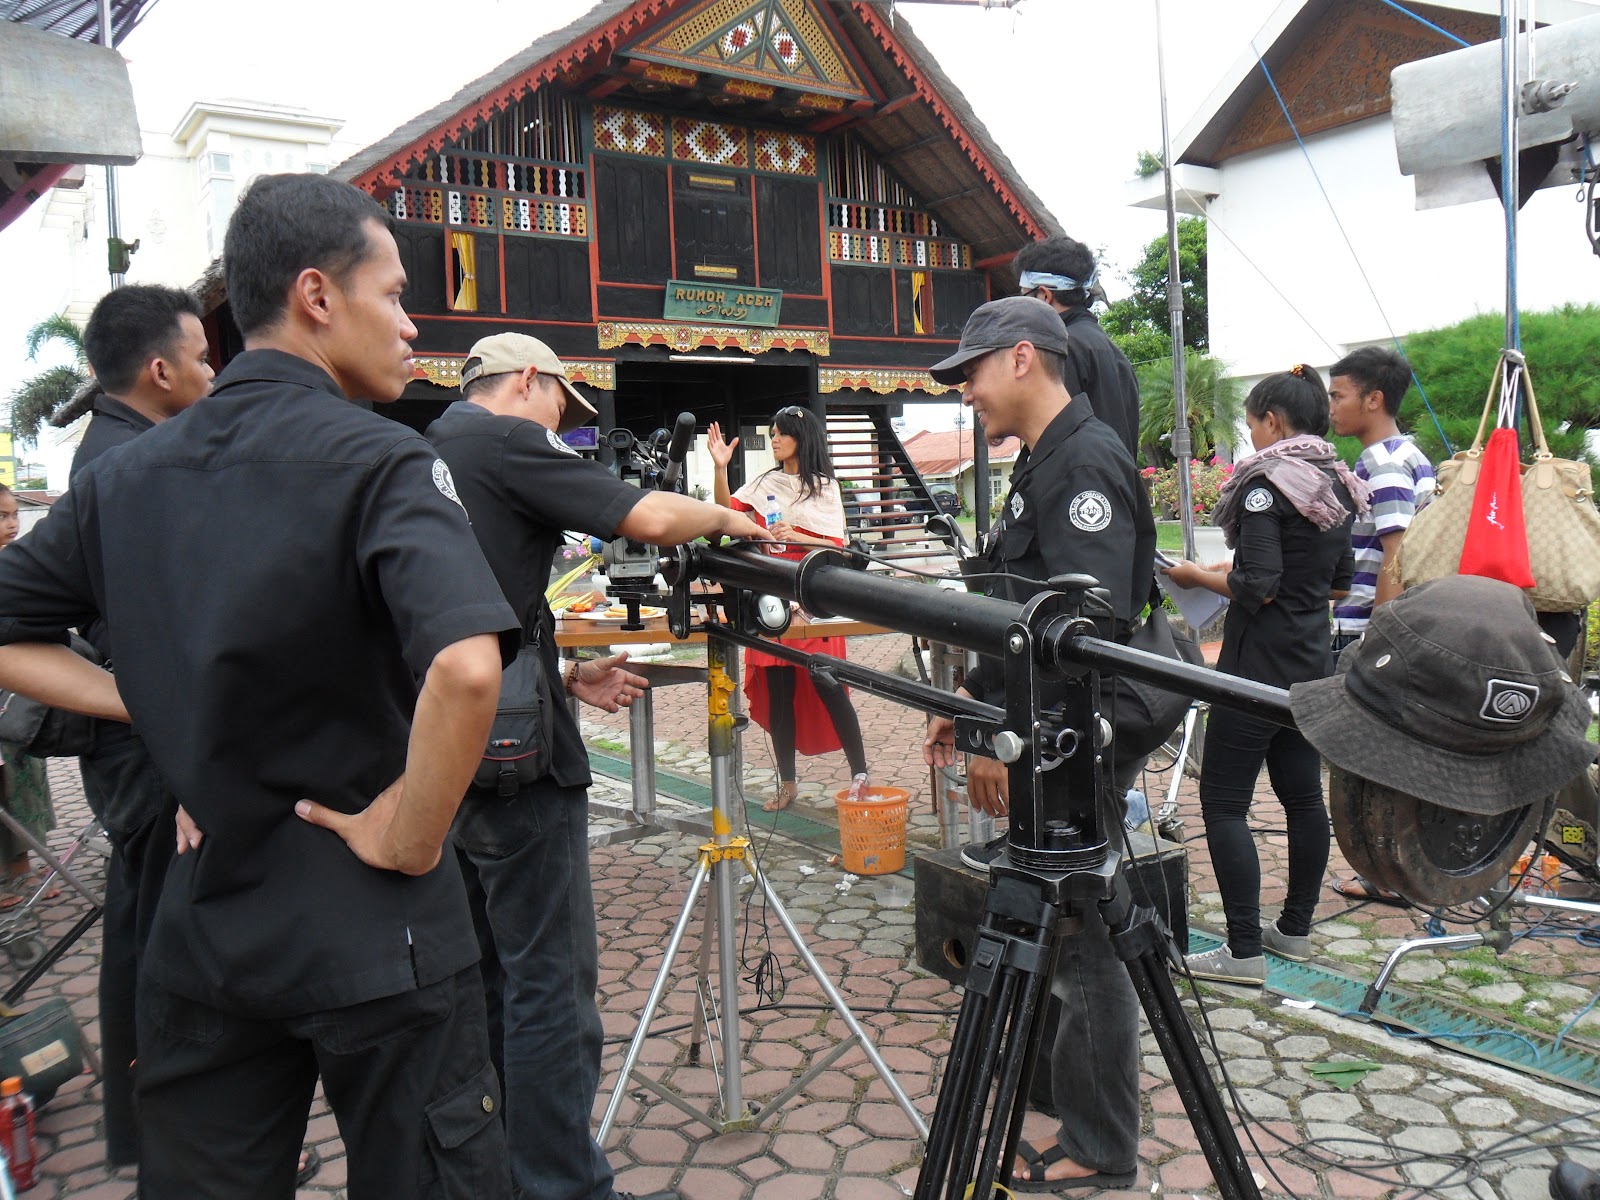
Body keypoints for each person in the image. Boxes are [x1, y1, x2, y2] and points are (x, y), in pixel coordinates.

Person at [0, 172, 523, 1197]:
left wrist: (147, 701)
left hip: (205, 921)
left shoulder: (123, 477)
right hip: (379, 924)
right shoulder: (381, 460)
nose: (412, 324)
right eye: (394, 293)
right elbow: (468, 668)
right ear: (317, 294)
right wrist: (411, 835)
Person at [426, 332, 765, 1200]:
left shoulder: (429, 448)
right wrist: (727, 517)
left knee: (489, 974)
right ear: (527, 381)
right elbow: (645, 517)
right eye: (560, 406)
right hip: (516, 763)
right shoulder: (508, 441)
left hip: (447, 745)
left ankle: (500, 1170)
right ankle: (562, 1184)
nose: (561, 428)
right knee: (549, 984)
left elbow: (479, 610)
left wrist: (567, 676)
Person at [921, 296, 1154, 1191]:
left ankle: (1102, 1147)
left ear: (1021, 358)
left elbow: (1079, 641)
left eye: (972, 371)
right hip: (1043, 729)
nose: (966, 391)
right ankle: (1064, 1102)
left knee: (1090, 940)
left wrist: (1002, 735)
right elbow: (1020, 613)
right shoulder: (1044, 457)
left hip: (1070, 739)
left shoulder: (1083, 461)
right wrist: (972, 700)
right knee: (1064, 932)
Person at [71, 283, 221, 1171]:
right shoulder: (129, 467)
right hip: (149, 750)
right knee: (162, 935)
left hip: (139, 742)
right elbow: (147, 628)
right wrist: (179, 753)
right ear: (160, 370)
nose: (212, 374)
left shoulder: (115, 451)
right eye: (202, 358)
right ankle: (175, 1142)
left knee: (147, 926)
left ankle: (159, 1134)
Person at [1162, 366, 1366, 984]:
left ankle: (1243, 949)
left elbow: (1257, 584)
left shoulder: (1265, 485)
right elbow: (1338, 584)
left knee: (1224, 801)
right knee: (1302, 798)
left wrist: (1197, 577)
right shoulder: (1337, 482)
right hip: (1311, 663)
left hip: (1254, 667)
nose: (1250, 436)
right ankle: (1294, 931)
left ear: (1273, 421)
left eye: (1251, 424)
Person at [706, 405, 870, 812]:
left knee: (830, 687)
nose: (774, 440)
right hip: (772, 601)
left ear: (802, 436)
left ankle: (860, 775)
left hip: (813, 599)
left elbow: (839, 549)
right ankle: (788, 783)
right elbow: (725, 515)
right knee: (779, 697)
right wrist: (721, 468)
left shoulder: (826, 487)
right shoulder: (765, 483)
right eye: (772, 433)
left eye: (781, 433)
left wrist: (797, 534)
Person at [1325, 345, 1435, 905]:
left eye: (1338, 395)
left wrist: (1381, 638)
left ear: (1373, 399)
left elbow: (1398, 553)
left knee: (1371, 760)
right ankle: (1397, 872)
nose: (1331, 406)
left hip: (1371, 628)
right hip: (1390, 624)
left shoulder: (1383, 463)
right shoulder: (1407, 454)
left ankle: (1387, 875)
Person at [1014, 234, 1141, 459]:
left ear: (1044, 295)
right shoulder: (1114, 352)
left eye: (1024, 296)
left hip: (1077, 480)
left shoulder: (1059, 350)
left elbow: (1052, 443)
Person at [0, 485, 56, 910]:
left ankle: (21, 866)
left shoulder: (17, 566)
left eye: (14, 514)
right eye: (2, 516)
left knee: (21, 780)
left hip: (19, 700)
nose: (12, 523)